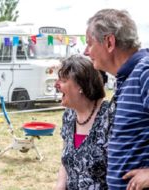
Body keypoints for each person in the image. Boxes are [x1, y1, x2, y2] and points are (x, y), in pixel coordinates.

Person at [84, 9, 149, 190]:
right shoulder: (129, 77)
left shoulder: (145, 72)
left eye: (90, 44)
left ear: (109, 42)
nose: (86, 51)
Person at [54, 54, 109, 190]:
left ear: (81, 85)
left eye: (63, 80)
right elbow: (66, 159)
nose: (57, 85)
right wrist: (60, 185)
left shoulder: (111, 116)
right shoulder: (68, 116)